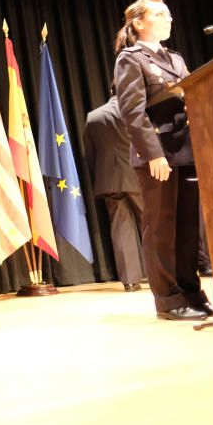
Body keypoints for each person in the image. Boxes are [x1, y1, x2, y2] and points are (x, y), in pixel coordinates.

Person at [112, 0, 213, 321]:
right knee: (162, 229)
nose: (168, 19)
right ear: (139, 23)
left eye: (169, 14)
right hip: (158, 154)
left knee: (187, 229)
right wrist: (153, 154)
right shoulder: (131, 59)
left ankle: (192, 294)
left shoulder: (176, 59)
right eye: (159, 14)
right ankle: (168, 301)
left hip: (185, 150)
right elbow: (132, 111)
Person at [83, 93, 145, 291]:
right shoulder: (135, 110)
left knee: (120, 226)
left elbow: (90, 152)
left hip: (108, 178)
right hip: (137, 175)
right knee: (152, 226)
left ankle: (130, 281)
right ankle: (162, 276)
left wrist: (99, 175)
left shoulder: (93, 117)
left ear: (110, 93)